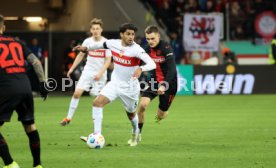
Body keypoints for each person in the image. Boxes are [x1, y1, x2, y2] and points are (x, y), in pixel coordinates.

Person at [73, 23, 156, 147]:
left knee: (131, 114)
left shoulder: (136, 49)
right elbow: (99, 45)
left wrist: (141, 69)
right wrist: (86, 48)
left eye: (133, 34)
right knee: (97, 103)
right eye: (128, 34)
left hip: (130, 88)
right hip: (115, 83)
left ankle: (135, 133)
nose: (131, 37)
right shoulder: (113, 43)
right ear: (121, 34)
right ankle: (97, 135)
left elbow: (152, 64)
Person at [0, 15, 48, 168]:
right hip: (25, 86)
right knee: (30, 125)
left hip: (6, 87)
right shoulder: (17, 42)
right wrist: (42, 83)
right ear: (4, 27)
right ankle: (38, 165)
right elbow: (35, 61)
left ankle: (10, 164)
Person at [60, 18, 112, 126]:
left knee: (98, 101)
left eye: (97, 28)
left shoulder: (106, 43)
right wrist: (71, 69)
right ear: (91, 30)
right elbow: (80, 55)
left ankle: (97, 123)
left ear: (101, 29)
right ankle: (68, 118)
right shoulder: (87, 41)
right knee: (77, 93)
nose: (95, 31)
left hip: (101, 74)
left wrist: (100, 73)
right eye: (93, 29)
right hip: (88, 72)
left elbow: (108, 61)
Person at [137, 25, 178, 141]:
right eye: (148, 39)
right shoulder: (146, 50)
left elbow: (172, 69)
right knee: (143, 105)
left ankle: (160, 116)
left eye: (153, 38)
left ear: (158, 36)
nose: (150, 41)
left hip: (169, 84)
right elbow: (137, 63)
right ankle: (137, 132)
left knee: (161, 115)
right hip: (153, 81)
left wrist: (164, 84)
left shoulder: (166, 47)